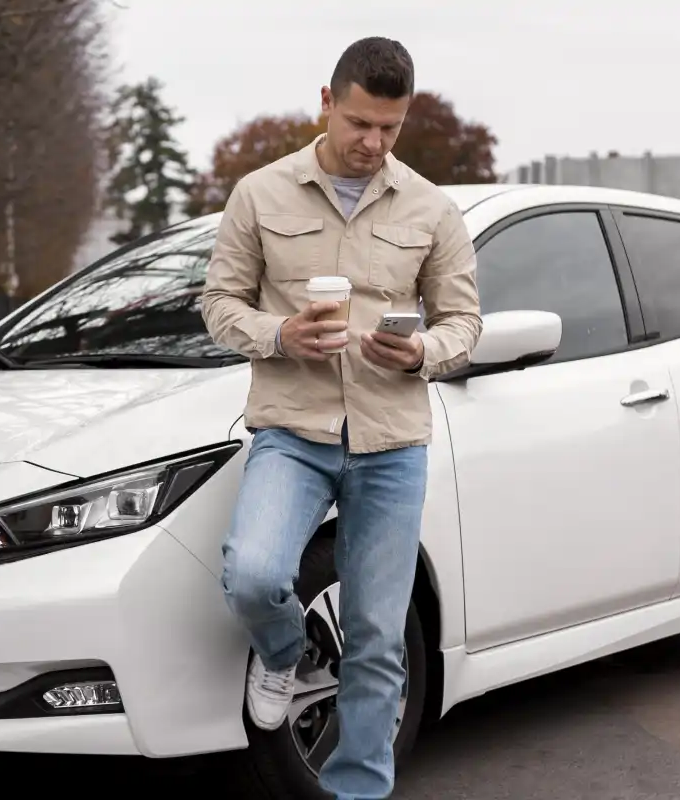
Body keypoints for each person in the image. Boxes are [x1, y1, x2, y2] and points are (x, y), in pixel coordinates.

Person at [200, 36, 482, 799]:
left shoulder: (430, 208)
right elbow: (219, 306)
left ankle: (359, 789)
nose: (373, 143)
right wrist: (280, 335)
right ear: (326, 102)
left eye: (390, 127)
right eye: (360, 123)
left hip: (392, 443)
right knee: (254, 575)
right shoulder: (259, 195)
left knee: (378, 637)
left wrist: (421, 352)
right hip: (293, 432)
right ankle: (284, 652)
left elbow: (464, 324)